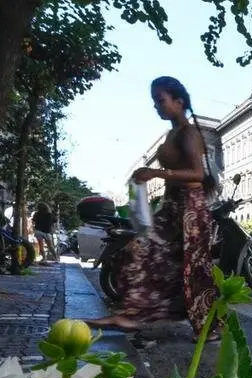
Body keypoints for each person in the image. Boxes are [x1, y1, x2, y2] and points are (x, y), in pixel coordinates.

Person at [87, 76, 223, 342]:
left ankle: (209, 327)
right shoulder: (172, 133)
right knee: (141, 251)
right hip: (172, 207)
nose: (157, 107)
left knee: (193, 269)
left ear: (178, 101)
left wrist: (157, 172)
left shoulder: (189, 133)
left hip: (190, 211)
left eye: (160, 100)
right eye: (154, 102)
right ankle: (132, 314)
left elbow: (196, 173)